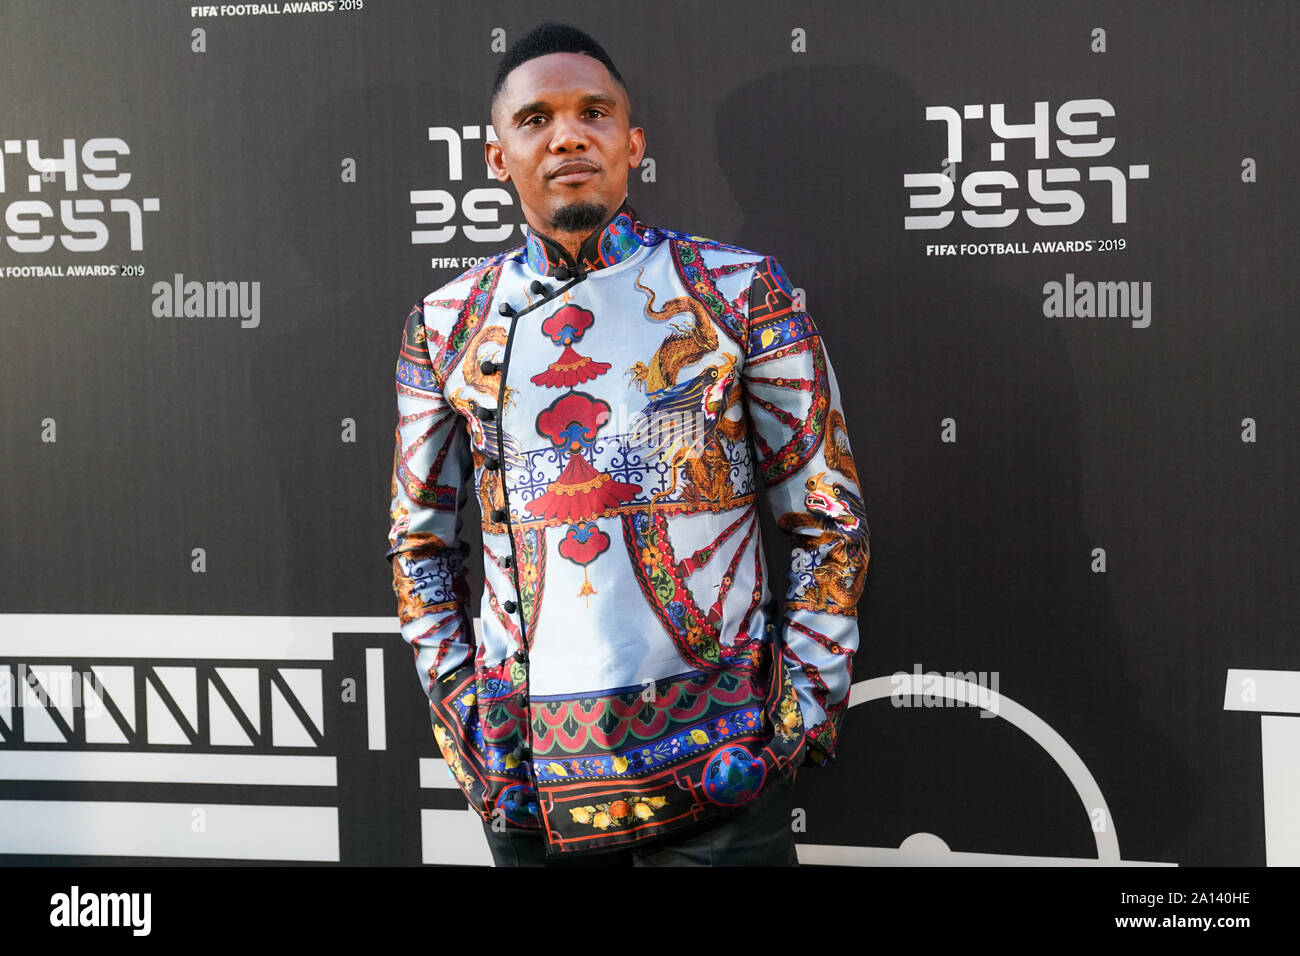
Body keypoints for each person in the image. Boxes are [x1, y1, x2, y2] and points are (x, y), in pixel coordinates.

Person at [386, 21, 869, 866]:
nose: (568, 134)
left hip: (722, 774)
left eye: (594, 113)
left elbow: (828, 515)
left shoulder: (740, 291)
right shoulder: (443, 324)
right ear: (497, 156)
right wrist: (468, 729)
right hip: (529, 782)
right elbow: (419, 544)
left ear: (633, 143)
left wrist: (793, 728)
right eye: (536, 120)